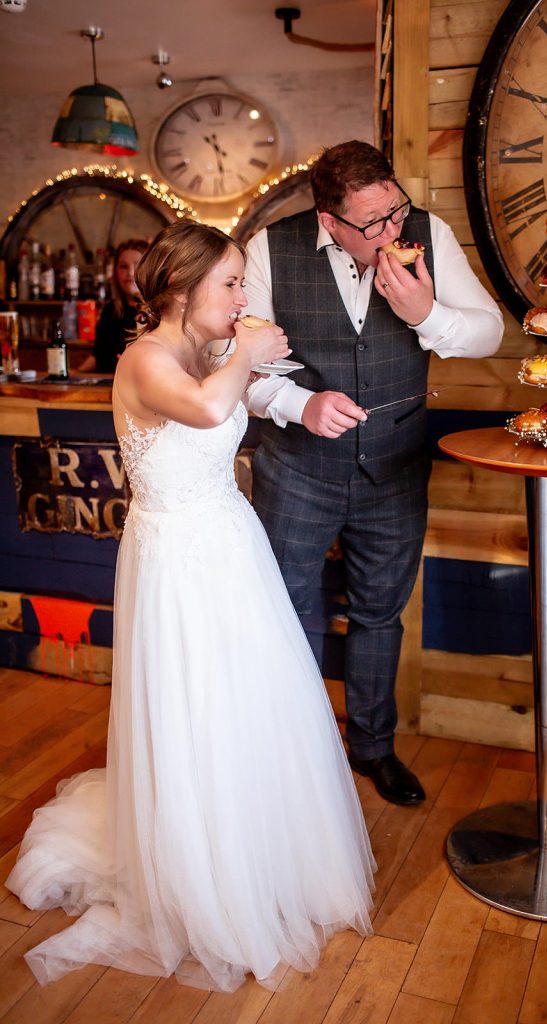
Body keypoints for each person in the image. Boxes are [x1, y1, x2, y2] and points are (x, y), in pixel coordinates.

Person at [6, 221, 375, 992]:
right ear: (179, 291)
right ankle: (199, 876)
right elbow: (209, 411)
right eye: (231, 283)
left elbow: (245, 388)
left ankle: (257, 846)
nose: (244, 297)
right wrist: (246, 352)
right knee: (192, 700)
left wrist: (288, 388)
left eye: (242, 281)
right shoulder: (145, 359)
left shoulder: (210, 350)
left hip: (228, 541)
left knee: (248, 697)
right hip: (174, 554)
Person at [244, 140, 504, 806]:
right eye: (370, 223)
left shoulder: (429, 235)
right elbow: (240, 365)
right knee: (287, 611)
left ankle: (373, 749)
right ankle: (289, 752)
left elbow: (488, 333)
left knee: (379, 617)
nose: (390, 231)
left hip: (394, 464)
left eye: (394, 211)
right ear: (328, 221)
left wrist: (426, 314)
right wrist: (301, 404)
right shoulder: (268, 250)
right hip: (297, 468)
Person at [78, 238, 148, 373]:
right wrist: (75, 375)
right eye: (123, 266)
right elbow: (97, 356)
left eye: (137, 264)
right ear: (115, 272)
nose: (130, 273)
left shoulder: (159, 311)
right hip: (107, 387)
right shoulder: (110, 310)